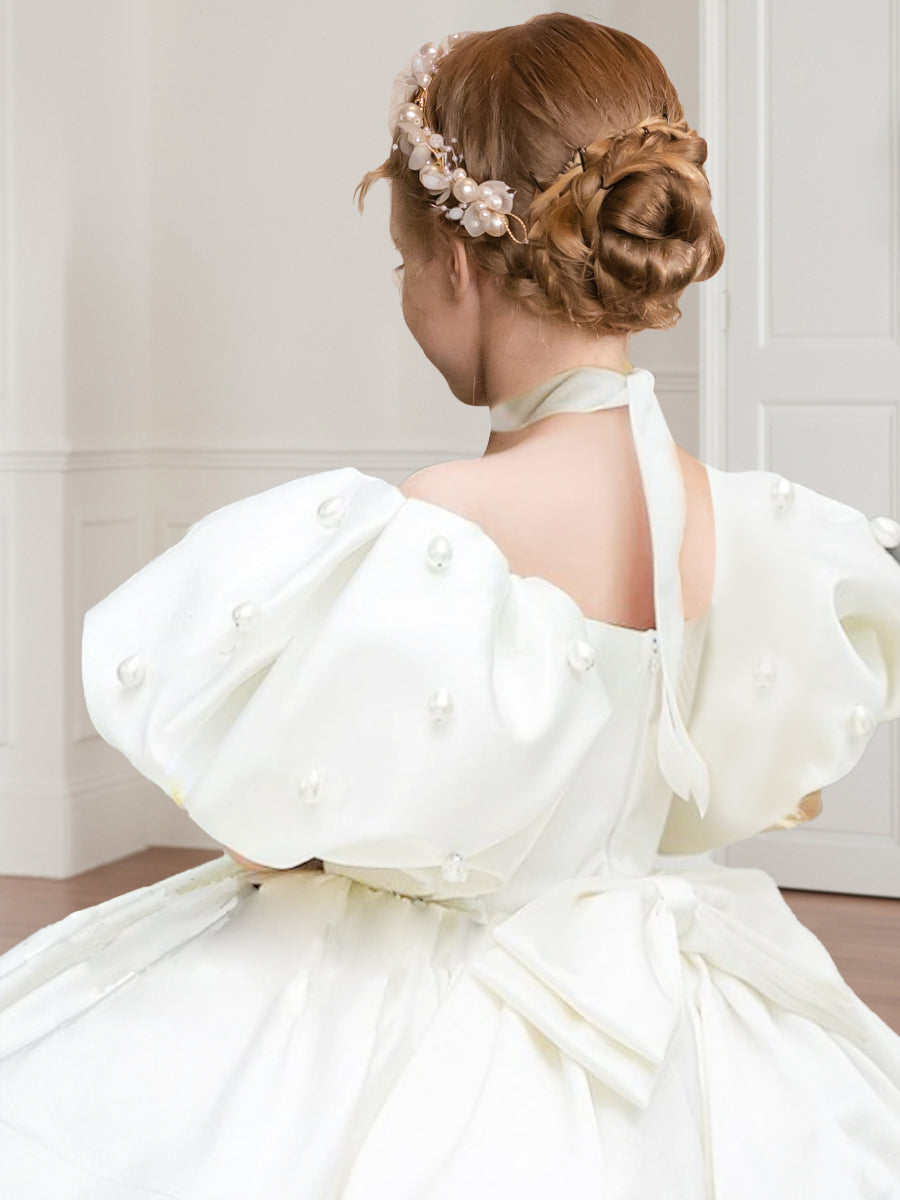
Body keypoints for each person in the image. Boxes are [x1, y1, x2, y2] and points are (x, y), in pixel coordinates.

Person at [1, 12, 900, 1197]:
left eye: (404, 264)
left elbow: (279, 833)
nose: (408, 292)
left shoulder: (446, 520)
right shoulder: (727, 517)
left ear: (458, 269)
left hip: (429, 985)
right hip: (646, 985)